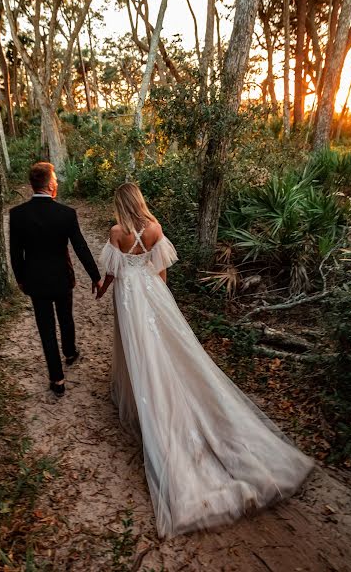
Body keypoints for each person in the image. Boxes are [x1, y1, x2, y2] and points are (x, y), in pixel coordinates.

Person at [97, 182, 313, 538]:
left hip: (129, 298)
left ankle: (146, 402)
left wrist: (103, 290)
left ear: (120, 204)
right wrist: (164, 303)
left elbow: (113, 272)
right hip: (151, 292)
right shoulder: (154, 228)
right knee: (163, 347)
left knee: (138, 349)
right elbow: (161, 269)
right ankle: (153, 396)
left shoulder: (117, 231)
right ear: (139, 200)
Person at [9, 162, 101, 396]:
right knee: (66, 317)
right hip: (61, 278)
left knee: (46, 328)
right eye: (56, 180)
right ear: (50, 186)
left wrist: (20, 278)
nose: (57, 182)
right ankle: (70, 352)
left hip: (35, 280)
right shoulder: (66, 214)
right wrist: (95, 276)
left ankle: (57, 379)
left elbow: (15, 252)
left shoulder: (18, 214)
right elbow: (80, 247)